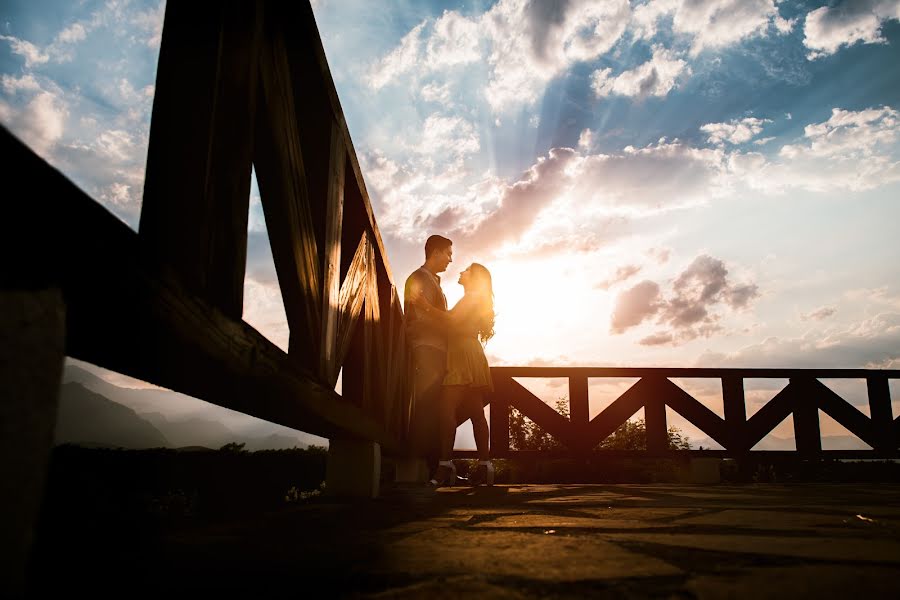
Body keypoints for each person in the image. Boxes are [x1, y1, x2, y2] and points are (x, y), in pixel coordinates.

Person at [412, 263, 495, 486]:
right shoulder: (475, 297)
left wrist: (424, 306)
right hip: (471, 353)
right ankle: (485, 467)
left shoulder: (472, 297)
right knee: (477, 412)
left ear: (474, 277)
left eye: (467, 270)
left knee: (446, 408)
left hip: (461, 355)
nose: (461, 272)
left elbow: (451, 321)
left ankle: (445, 465)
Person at [404, 235, 453, 476]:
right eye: (448, 253)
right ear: (435, 252)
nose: (451, 260)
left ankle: (430, 468)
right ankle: (416, 467)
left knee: (434, 406)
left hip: (436, 350)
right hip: (427, 348)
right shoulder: (418, 278)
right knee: (425, 406)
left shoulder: (432, 281)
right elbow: (421, 319)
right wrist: (451, 323)